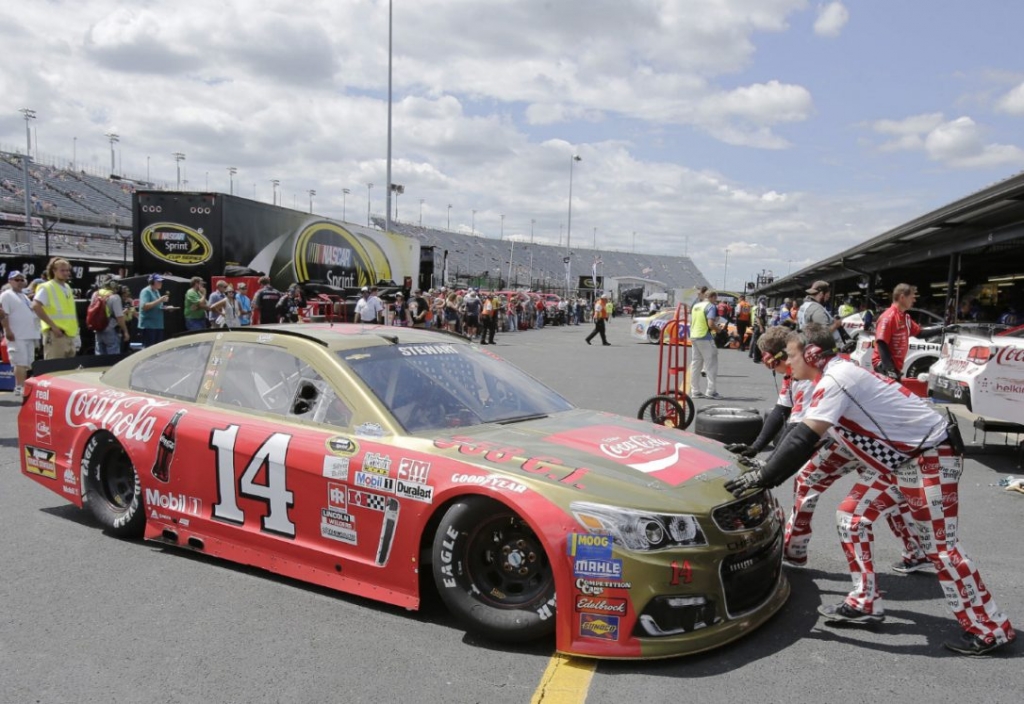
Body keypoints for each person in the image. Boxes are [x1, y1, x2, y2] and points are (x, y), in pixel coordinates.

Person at [725, 324, 1015, 656]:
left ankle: (990, 629)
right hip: (904, 461)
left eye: (787, 357)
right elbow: (798, 434)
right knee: (851, 517)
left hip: (928, 457)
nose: (783, 367)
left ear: (811, 353)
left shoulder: (836, 379)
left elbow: (804, 439)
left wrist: (763, 478)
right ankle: (864, 602)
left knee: (942, 550)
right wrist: (762, 459)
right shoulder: (829, 378)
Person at [727, 326, 926, 571]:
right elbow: (782, 412)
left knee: (807, 481)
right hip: (871, 442)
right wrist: (757, 448)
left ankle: (795, 551)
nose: (776, 370)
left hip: (866, 441)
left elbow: (801, 434)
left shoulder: (814, 376)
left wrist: (766, 473)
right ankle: (917, 550)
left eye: (774, 363)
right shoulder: (800, 373)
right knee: (885, 498)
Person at [1, 271, 42, 393]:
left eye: (21, 280)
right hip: (17, 334)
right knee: (19, 361)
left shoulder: (24, 296)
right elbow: (3, 314)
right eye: (16, 280)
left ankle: (23, 385)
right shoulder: (6, 295)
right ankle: (19, 386)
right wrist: (7, 330)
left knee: (27, 362)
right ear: (10, 281)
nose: (19, 282)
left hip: (29, 334)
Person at [31, 257, 79, 359]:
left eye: (67, 270)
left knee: (69, 370)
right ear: (54, 271)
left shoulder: (67, 287)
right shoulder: (47, 287)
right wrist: (53, 326)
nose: (66, 273)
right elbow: (35, 305)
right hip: (56, 335)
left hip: (69, 334)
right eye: (62, 270)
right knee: (54, 369)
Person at [872, 283, 920, 381]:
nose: (914, 300)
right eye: (911, 297)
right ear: (902, 297)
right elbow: (881, 342)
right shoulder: (889, 316)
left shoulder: (905, 317)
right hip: (884, 366)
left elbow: (919, 333)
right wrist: (889, 369)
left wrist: (944, 330)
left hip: (894, 368)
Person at [687, 290, 719, 398]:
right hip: (705, 337)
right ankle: (711, 391)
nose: (716, 301)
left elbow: (691, 321)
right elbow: (710, 323)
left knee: (696, 365)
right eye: (716, 298)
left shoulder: (696, 306)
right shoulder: (711, 306)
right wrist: (719, 330)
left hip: (694, 336)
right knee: (711, 364)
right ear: (713, 297)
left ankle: (695, 390)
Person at [90, 274, 130, 355]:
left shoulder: (95, 294)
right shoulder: (115, 297)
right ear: (113, 284)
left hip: (98, 329)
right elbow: (119, 317)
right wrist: (125, 331)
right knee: (112, 358)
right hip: (111, 330)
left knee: (100, 357)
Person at [138, 274, 171, 347]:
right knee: (149, 349)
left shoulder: (156, 292)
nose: (161, 283)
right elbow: (144, 306)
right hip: (149, 326)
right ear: (152, 282)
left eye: (161, 281)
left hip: (158, 325)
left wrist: (166, 308)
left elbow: (158, 306)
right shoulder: (146, 291)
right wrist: (160, 300)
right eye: (158, 281)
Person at [748, 295, 769, 363]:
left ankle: (758, 357)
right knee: (757, 342)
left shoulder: (761, 307)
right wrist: (761, 327)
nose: (765, 301)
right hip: (759, 327)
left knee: (758, 342)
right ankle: (756, 358)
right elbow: (758, 318)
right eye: (764, 300)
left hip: (759, 326)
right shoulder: (760, 308)